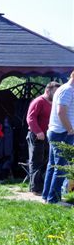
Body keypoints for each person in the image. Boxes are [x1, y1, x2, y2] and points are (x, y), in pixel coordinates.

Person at [42, 71, 74, 204]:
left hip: (58, 132)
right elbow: (61, 112)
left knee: (53, 165)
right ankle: (53, 199)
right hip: (62, 133)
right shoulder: (67, 90)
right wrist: (70, 130)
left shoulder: (65, 89)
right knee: (60, 167)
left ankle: (46, 196)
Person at [26, 82, 60, 194]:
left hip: (47, 136)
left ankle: (42, 186)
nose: (56, 94)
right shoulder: (39, 101)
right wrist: (38, 132)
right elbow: (30, 118)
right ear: (47, 90)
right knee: (36, 162)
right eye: (55, 92)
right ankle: (35, 188)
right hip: (37, 136)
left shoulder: (53, 103)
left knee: (45, 162)